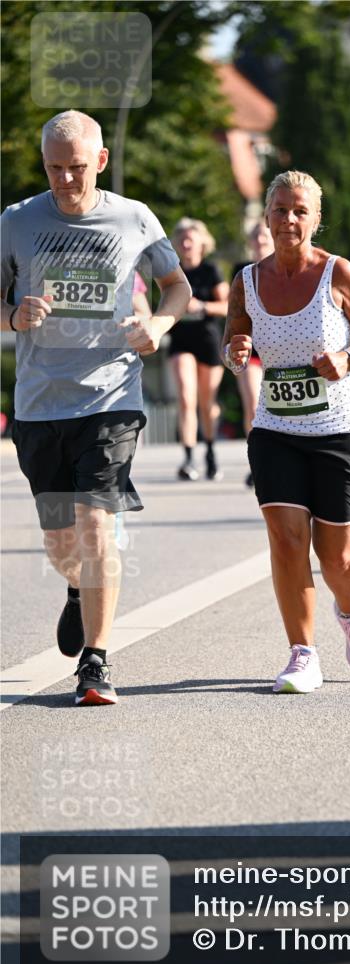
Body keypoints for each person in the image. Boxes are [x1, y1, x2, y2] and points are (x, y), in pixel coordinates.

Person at [1, 110, 190, 706]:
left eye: (77, 168)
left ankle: (97, 662)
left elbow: (177, 286)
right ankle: (79, 593)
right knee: (62, 545)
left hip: (111, 396)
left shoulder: (135, 219)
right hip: (38, 405)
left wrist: (158, 323)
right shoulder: (16, 222)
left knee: (96, 526)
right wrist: (11, 316)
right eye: (54, 169)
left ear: (100, 161)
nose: (64, 180)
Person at [222, 170, 350, 694]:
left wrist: (347, 357)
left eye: (299, 211)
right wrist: (236, 352)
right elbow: (235, 336)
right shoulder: (246, 280)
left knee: (337, 556)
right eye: (279, 209)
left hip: (339, 428)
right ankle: (302, 654)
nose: (288, 219)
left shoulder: (338, 272)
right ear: (265, 215)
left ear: (316, 219)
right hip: (275, 427)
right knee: (287, 540)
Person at [168, 218, 228, 481]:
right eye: (181, 238)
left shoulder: (211, 270)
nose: (185, 242)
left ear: (201, 243)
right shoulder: (172, 272)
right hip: (181, 340)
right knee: (185, 397)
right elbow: (164, 305)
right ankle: (189, 458)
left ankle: (211, 453)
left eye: (190, 238)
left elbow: (228, 306)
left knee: (207, 403)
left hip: (208, 339)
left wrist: (201, 307)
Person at [231, 221, 275, 487]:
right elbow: (234, 311)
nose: (260, 239)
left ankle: (278, 458)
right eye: (256, 235)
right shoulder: (242, 272)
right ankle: (257, 461)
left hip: (280, 348)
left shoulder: (283, 269)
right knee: (254, 404)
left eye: (264, 234)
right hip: (251, 348)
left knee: (277, 407)